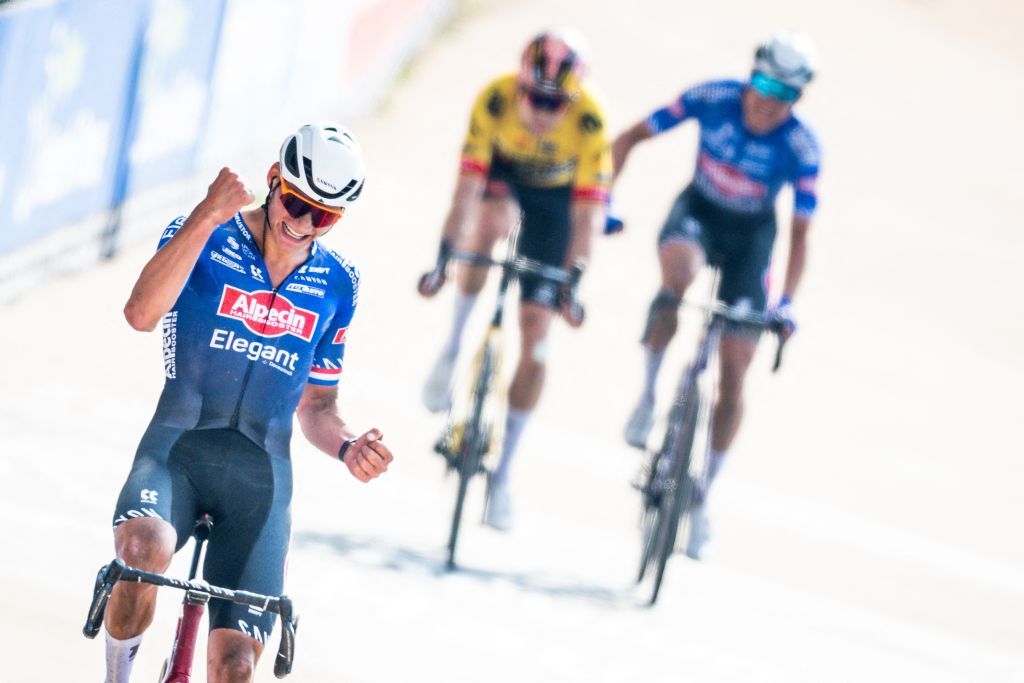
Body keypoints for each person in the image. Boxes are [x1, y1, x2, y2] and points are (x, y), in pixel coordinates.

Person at [103, 122, 394, 683]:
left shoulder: (339, 284)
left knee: (235, 666)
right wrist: (207, 216)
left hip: (260, 478)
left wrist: (349, 446)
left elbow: (317, 407)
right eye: (296, 202)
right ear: (272, 180)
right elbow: (140, 315)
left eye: (324, 217)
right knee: (142, 548)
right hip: (176, 454)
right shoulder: (204, 235)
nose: (303, 224)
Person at [612, 32, 821, 558]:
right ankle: (647, 394)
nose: (768, 100)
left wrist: (788, 302)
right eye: (764, 83)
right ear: (751, 74)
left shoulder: (802, 147)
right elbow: (630, 136)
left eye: (785, 93)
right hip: (699, 215)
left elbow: (800, 234)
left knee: (735, 374)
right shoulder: (711, 99)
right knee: (676, 280)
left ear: (799, 99)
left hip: (753, 241)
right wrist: (606, 200)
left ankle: (704, 497)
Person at [417, 28, 611, 531]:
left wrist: (575, 281)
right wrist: (443, 257)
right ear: (521, 86)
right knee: (489, 221)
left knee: (537, 335)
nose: (544, 111)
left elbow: (588, 218)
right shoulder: (494, 99)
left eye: (555, 103)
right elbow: (466, 188)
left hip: (556, 201)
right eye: (535, 97)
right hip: (504, 179)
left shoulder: (590, 122)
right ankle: (453, 345)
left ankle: (503, 476)